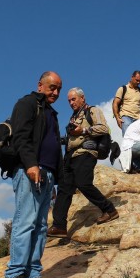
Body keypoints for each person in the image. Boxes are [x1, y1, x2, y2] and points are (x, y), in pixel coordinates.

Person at [3, 71, 63, 278]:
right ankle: (15, 276)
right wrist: (30, 164)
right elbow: (20, 137)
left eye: (58, 89)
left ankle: (33, 274)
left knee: (40, 226)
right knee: (25, 222)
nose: (55, 92)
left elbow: (55, 147)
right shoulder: (27, 104)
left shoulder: (51, 113)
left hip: (47, 174)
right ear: (40, 85)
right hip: (30, 170)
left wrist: (57, 179)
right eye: (52, 87)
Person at [48, 88, 119, 238]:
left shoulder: (92, 110)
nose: (71, 103)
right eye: (69, 101)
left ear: (82, 98)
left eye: (73, 99)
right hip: (70, 156)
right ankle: (59, 226)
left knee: (83, 183)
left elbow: (104, 128)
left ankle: (110, 210)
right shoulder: (74, 117)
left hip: (86, 153)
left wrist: (84, 130)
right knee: (64, 189)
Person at [112, 70, 140, 136]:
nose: (138, 82)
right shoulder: (122, 89)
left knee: (137, 138)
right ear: (132, 77)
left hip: (137, 118)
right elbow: (115, 103)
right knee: (127, 137)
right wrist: (117, 118)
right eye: (137, 80)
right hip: (125, 116)